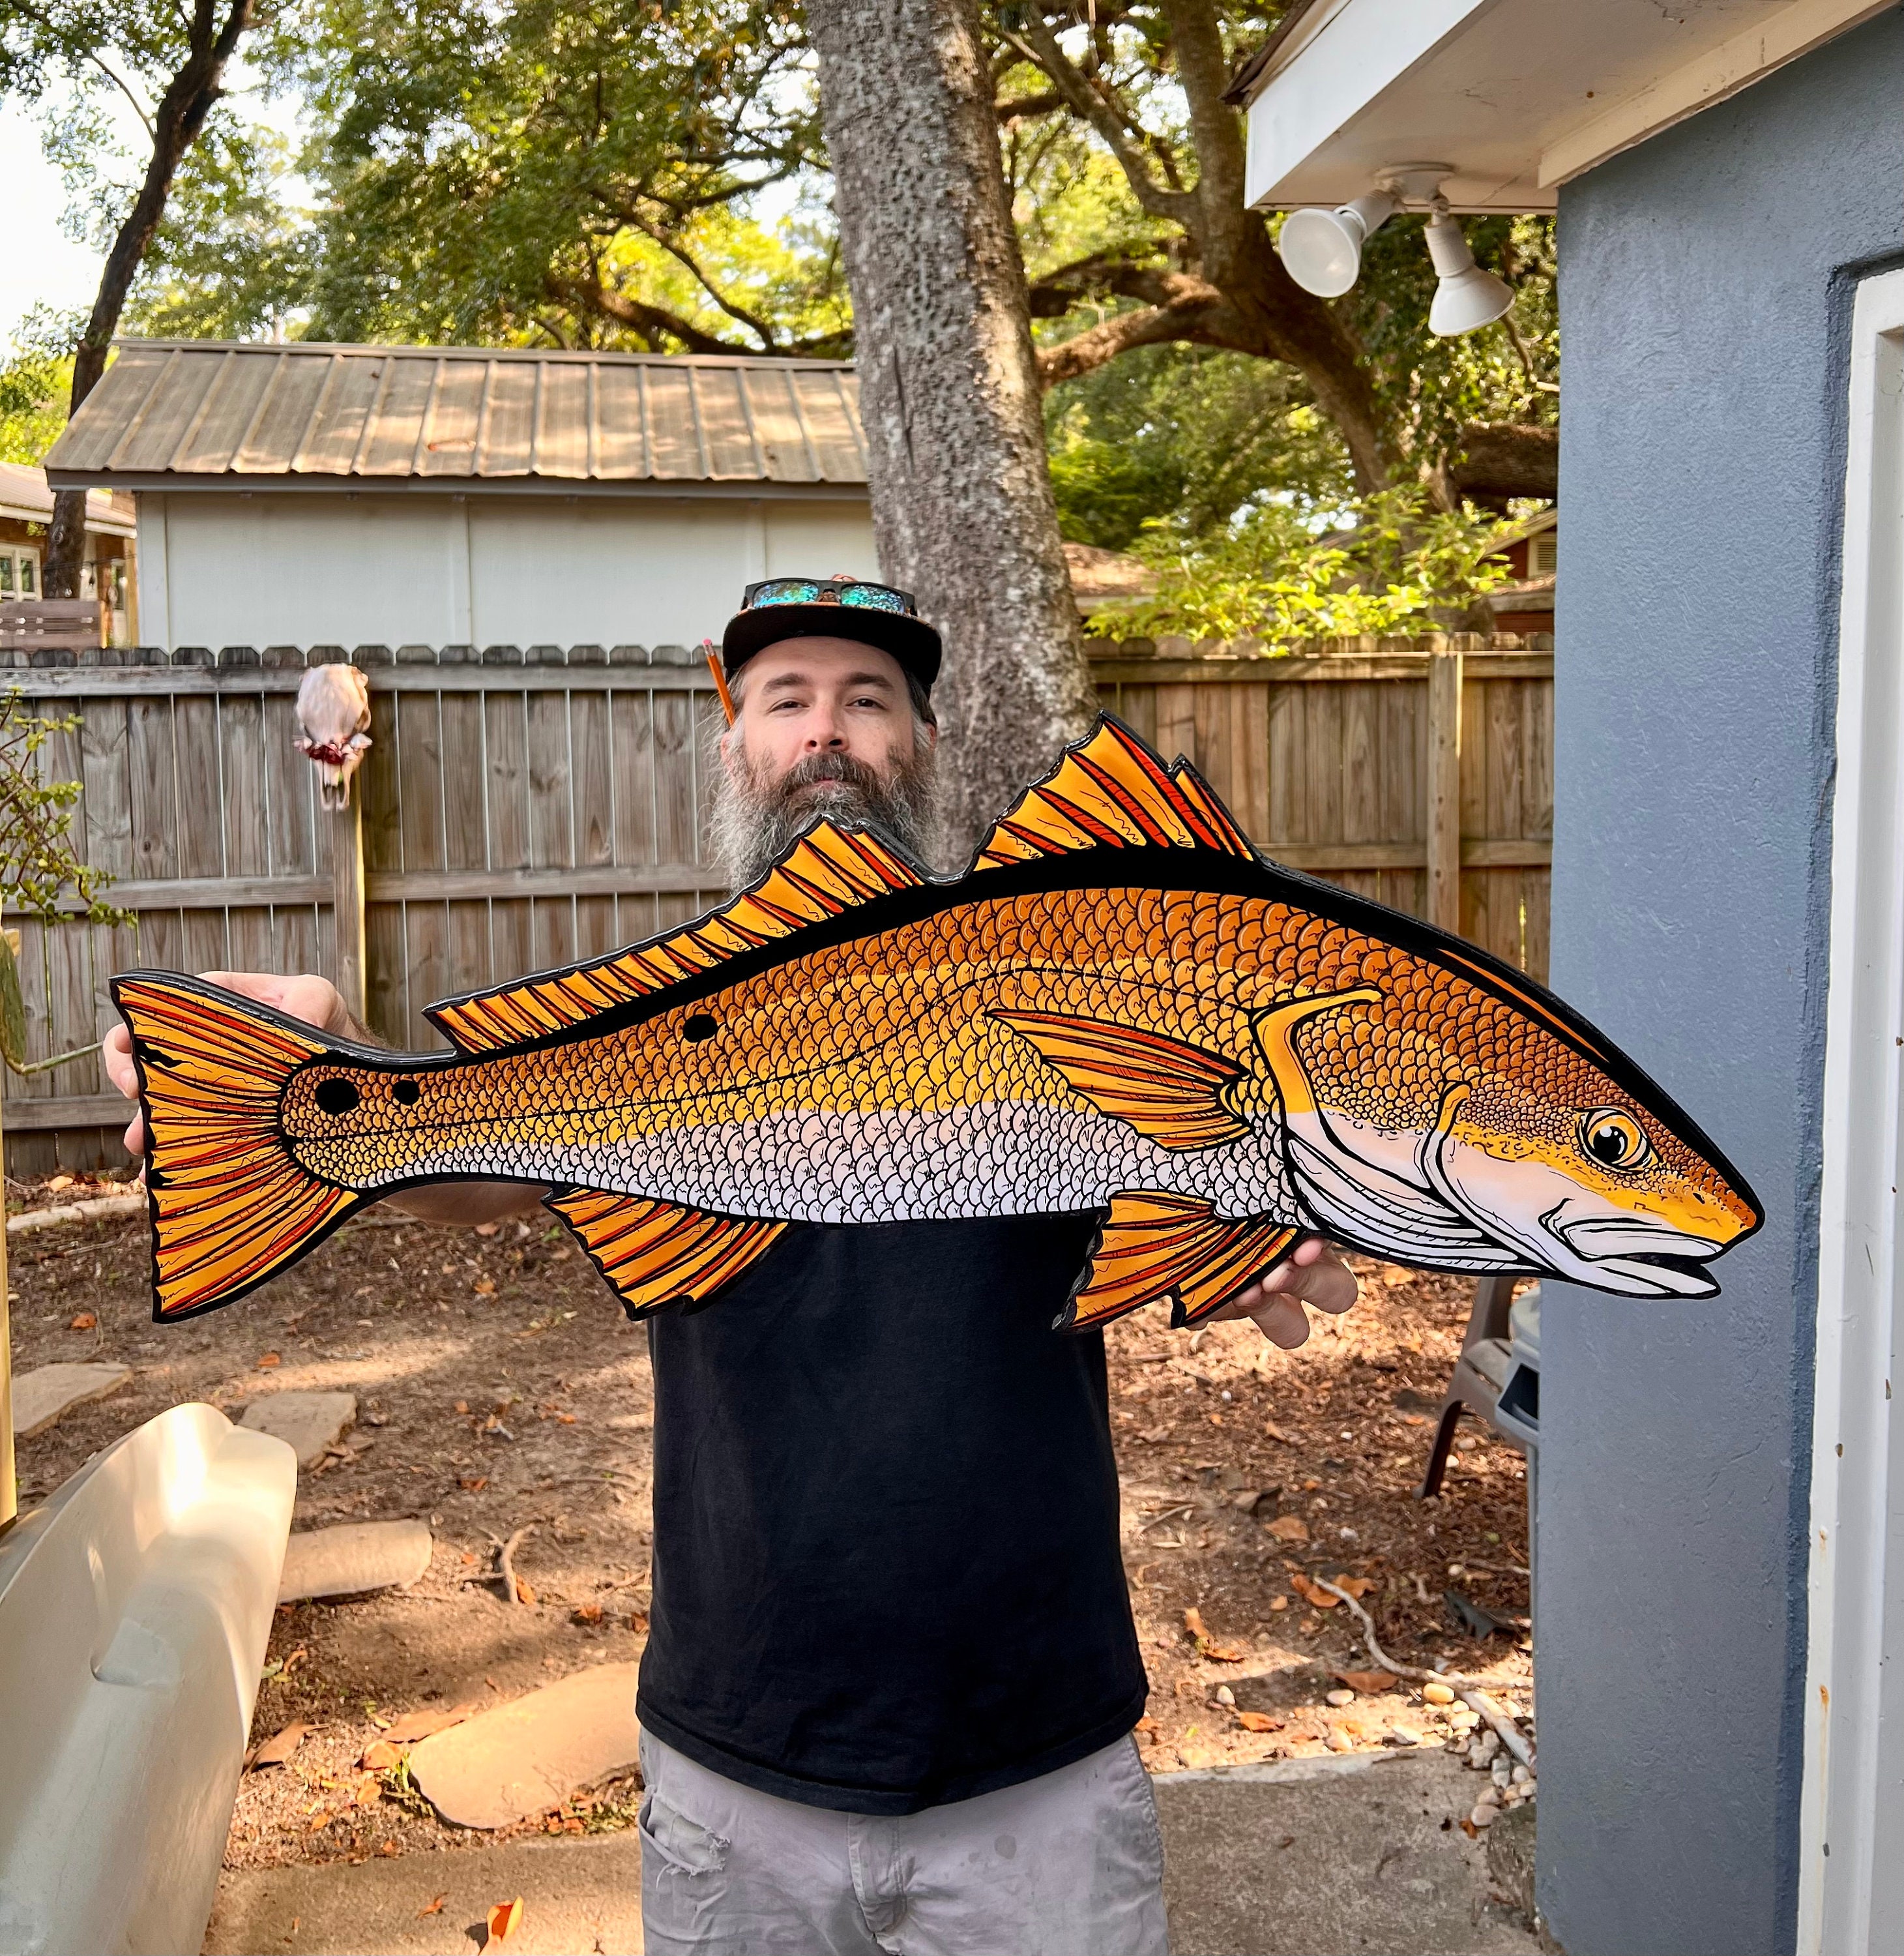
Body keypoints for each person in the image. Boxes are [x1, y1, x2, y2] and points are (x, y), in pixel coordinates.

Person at [105, 576, 1359, 1956]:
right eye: (787, 700)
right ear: (735, 750)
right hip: (740, 1765)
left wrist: (1253, 1236)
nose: (828, 733)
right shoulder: (661, 1008)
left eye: (868, 700)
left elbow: (1214, 1189)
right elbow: (478, 1169)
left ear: (923, 748)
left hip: (1038, 1769)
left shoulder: (1067, 999)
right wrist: (335, 1055)